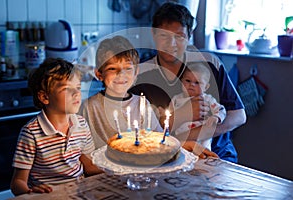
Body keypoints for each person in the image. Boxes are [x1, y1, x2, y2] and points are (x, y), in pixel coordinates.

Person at [130, 2, 246, 162]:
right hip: (168, 157)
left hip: (218, 156)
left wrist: (199, 133)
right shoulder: (140, 75)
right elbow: (139, 133)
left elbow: (239, 115)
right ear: (154, 34)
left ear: (189, 35)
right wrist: (180, 115)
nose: (171, 44)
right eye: (164, 35)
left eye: (179, 37)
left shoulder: (209, 64)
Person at [10, 58, 102, 196]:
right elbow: (17, 183)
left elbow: (89, 166)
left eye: (78, 88)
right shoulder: (31, 133)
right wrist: (29, 191)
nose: (77, 93)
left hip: (78, 194)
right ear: (45, 97)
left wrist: (121, 167)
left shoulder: (81, 124)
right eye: (66, 89)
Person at [78, 36, 163, 150]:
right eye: (112, 68)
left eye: (128, 68)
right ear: (99, 74)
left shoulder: (142, 104)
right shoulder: (89, 107)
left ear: (136, 72)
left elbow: (158, 139)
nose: (121, 74)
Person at [169, 62, 226, 151]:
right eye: (188, 81)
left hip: (201, 137)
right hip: (181, 137)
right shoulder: (176, 99)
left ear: (206, 87)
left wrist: (216, 117)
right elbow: (169, 116)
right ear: (181, 81)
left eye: (197, 82)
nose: (192, 85)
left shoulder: (207, 99)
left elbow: (221, 109)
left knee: (203, 154)